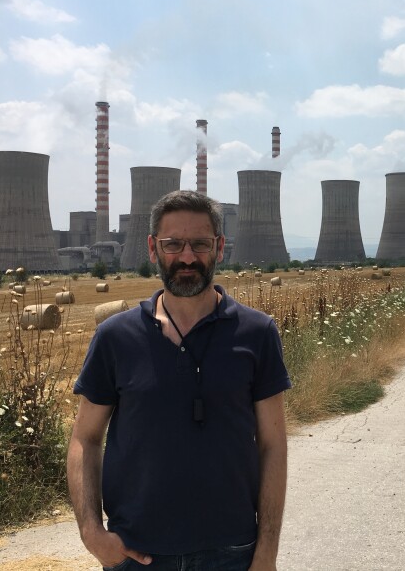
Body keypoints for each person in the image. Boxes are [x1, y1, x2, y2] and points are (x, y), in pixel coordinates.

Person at [67, 190, 291, 571]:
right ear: (153, 249)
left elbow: (273, 446)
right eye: (174, 245)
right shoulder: (115, 337)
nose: (187, 257)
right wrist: (92, 532)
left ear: (219, 247)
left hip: (232, 552)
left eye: (200, 244)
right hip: (136, 553)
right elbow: (85, 439)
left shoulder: (257, 333)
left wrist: (266, 552)